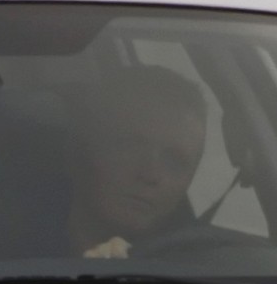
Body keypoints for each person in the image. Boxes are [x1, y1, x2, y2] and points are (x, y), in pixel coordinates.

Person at [66, 65, 210, 259]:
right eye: (131, 147)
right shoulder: (16, 259)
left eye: (175, 161)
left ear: (190, 178)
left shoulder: (202, 267)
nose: (150, 174)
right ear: (85, 148)